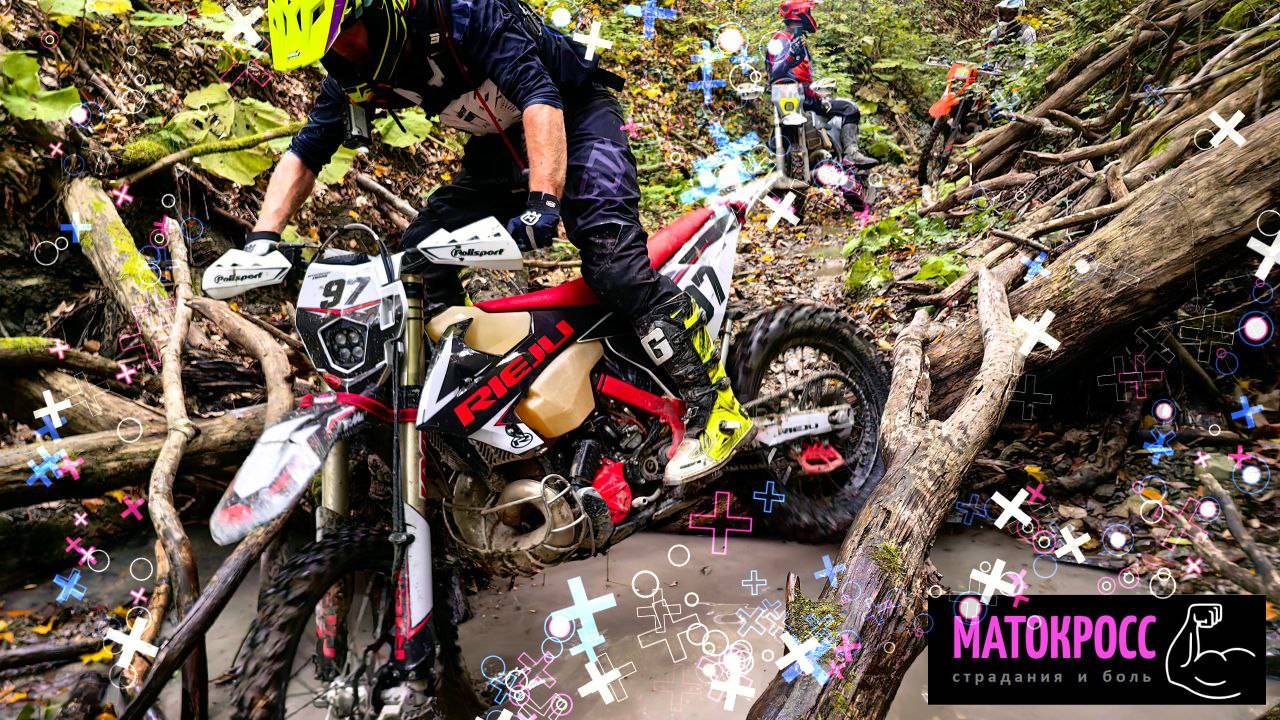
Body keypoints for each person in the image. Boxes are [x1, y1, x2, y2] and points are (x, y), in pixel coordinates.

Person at [254, 0, 753, 485]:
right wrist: (261, 240)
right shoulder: (352, 75)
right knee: (415, 268)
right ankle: (464, 413)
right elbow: (306, 152)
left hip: (579, 117)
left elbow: (539, 94)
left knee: (614, 267)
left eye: (344, 36)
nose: (339, 53)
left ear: (380, 10)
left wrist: (543, 199)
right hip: (499, 148)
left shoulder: (466, 12)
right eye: (327, 49)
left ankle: (716, 407)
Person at [765, 0, 876, 167]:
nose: (811, 17)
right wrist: (791, 55)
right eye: (809, 13)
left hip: (799, 98)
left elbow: (798, 75)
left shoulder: (794, 40)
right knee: (850, 108)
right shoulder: (781, 40)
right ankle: (851, 154)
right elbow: (776, 72)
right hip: (796, 98)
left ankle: (836, 154)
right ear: (801, 15)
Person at [986, 0, 1037, 69]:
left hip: (1019, 73)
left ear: (1018, 13)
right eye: (1003, 13)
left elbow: (1030, 61)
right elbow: (989, 60)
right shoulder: (995, 33)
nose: (1005, 17)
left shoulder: (1027, 32)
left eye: (1010, 14)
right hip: (998, 73)